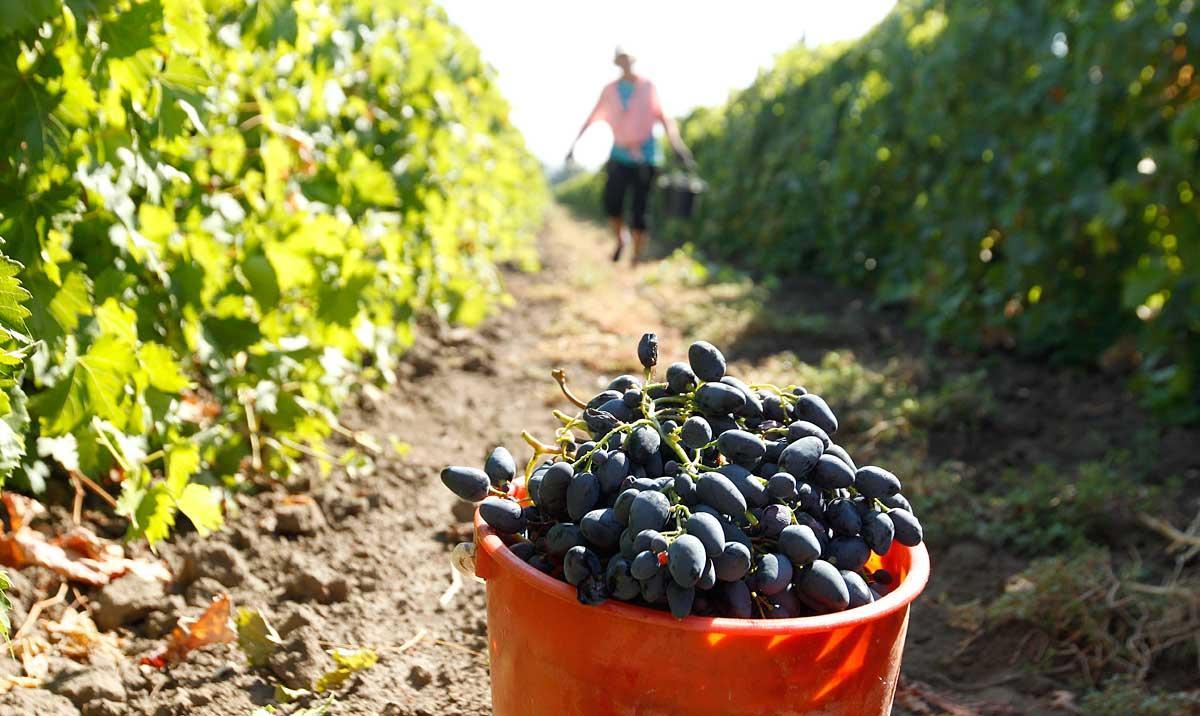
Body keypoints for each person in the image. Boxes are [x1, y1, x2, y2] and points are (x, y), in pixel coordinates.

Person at [566, 46, 696, 262]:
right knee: (611, 201)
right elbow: (591, 117)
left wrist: (677, 145)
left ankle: (636, 255)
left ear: (633, 60)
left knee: (640, 208)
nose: (625, 63)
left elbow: (664, 118)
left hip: (647, 156)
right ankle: (621, 239)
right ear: (617, 63)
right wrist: (573, 146)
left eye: (627, 58)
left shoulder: (647, 87)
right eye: (621, 59)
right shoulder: (610, 90)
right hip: (619, 154)